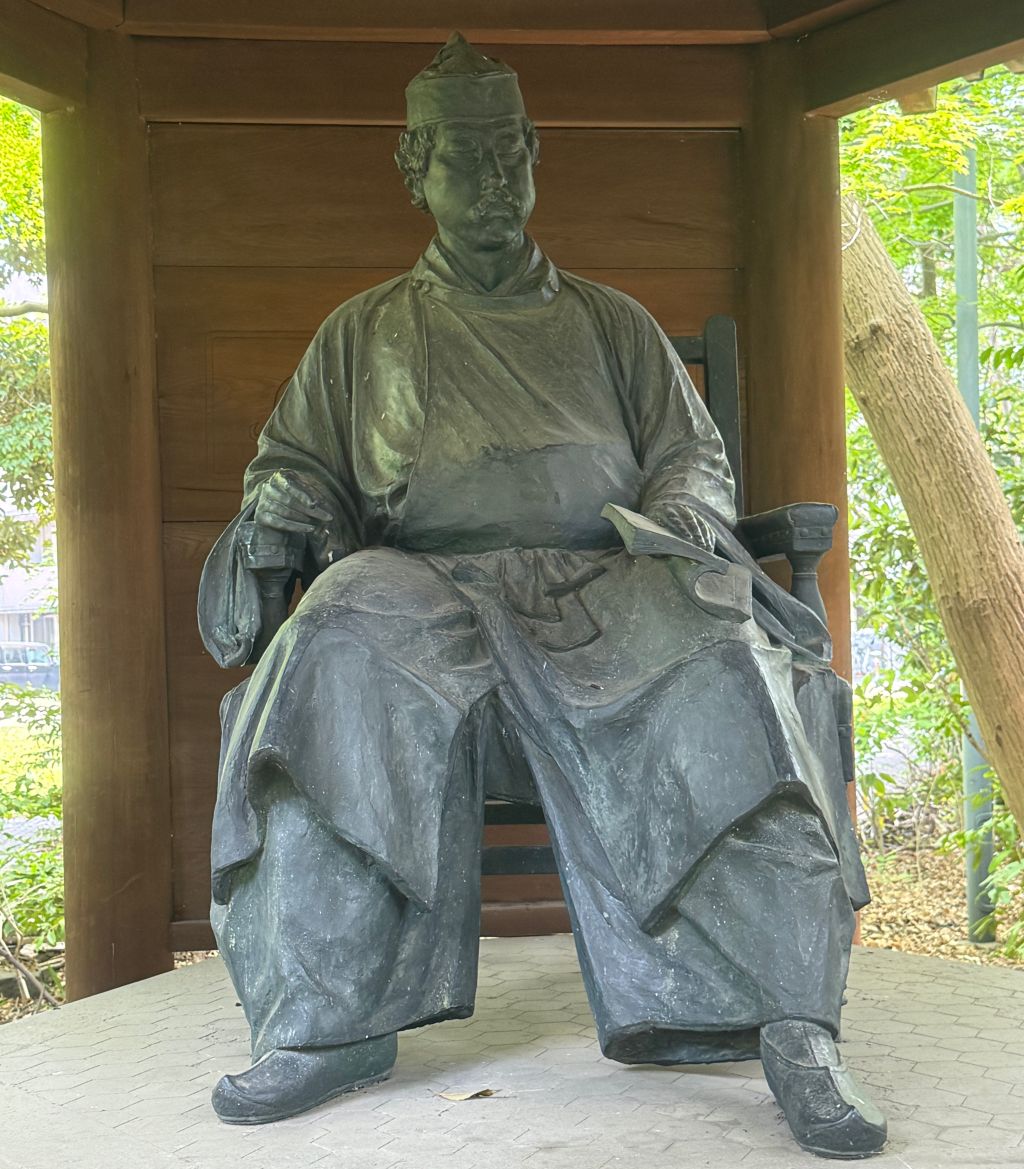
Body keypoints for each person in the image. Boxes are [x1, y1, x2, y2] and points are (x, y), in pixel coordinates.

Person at [198, 33, 886, 1158]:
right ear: (414, 168)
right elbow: (298, 469)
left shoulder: (612, 323)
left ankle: (789, 1019)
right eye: (465, 160)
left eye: (510, 156)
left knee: (727, 662)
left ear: (534, 157)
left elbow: (689, 458)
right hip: (418, 591)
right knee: (324, 643)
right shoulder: (361, 333)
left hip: (603, 586)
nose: (493, 182)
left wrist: (680, 514)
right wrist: (287, 506)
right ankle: (324, 1020)